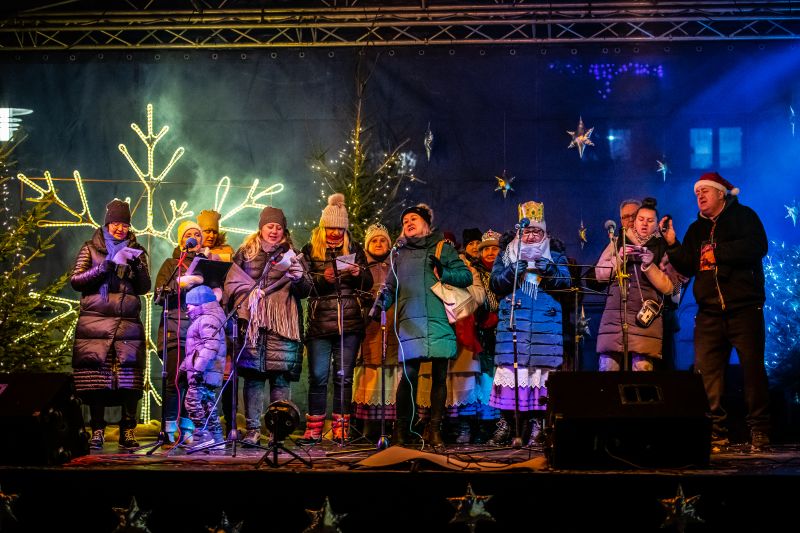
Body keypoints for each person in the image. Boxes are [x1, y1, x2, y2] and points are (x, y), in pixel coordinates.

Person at [662, 172, 771, 451]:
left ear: (721, 193)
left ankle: (758, 429)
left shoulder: (744, 216)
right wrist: (673, 244)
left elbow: (758, 246)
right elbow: (687, 266)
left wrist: (718, 252)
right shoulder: (696, 229)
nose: (699, 196)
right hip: (709, 313)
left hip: (744, 309)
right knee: (707, 374)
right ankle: (715, 432)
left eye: (705, 192)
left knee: (752, 371)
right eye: (697, 193)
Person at [380, 203, 472, 449]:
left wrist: (443, 270)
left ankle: (434, 430)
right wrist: (381, 301)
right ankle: (402, 430)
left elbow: (466, 277)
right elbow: (390, 286)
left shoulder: (442, 247)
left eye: (414, 219)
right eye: (405, 221)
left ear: (426, 224)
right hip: (410, 321)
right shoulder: (398, 254)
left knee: (440, 376)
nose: (408, 223)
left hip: (439, 319)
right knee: (408, 377)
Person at [488, 201, 571, 446]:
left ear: (545, 233)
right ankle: (509, 424)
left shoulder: (555, 255)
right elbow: (495, 284)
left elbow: (565, 283)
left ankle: (537, 424)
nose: (532, 235)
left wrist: (551, 271)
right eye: (528, 231)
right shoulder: (507, 254)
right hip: (515, 323)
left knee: (538, 376)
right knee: (512, 373)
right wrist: (511, 271)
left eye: (537, 231)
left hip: (544, 326)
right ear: (519, 232)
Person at [70, 199, 150, 450]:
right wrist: (105, 267)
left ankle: (128, 430)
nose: (120, 229)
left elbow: (145, 288)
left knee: (130, 380)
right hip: (96, 324)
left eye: (124, 224)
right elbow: (76, 280)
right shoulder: (90, 248)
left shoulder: (137, 250)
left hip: (127, 326)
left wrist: (137, 268)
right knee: (97, 381)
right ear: (107, 224)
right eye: (116, 223)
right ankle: (97, 430)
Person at [226, 206, 308, 445]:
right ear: (261, 228)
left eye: (278, 227)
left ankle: (277, 432)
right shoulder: (246, 252)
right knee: (253, 378)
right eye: (270, 226)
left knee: (280, 379)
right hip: (253, 326)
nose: (274, 231)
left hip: (283, 327)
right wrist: (249, 294)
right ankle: (252, 430)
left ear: (284, 230)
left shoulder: (294, 254)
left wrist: (299, 277)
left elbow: (305, 290)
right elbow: (231, 282)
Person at [297, 193, 372, 443]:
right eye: (331, 228)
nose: (335, 233)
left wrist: (358, 272)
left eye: (340, 229)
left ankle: (341, 429)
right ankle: (314, 428)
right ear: (323, 228)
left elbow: (368, 283)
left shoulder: (355, 249)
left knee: (344, 376)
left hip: (349, 322)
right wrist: (321, 279)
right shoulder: (309, 251)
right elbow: (302, 287)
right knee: (318, 375)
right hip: (319, 324)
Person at [595, 197, 674, 372]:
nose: (644, 224)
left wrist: (649, 265)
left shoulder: (662, 246)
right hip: (616, 315)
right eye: (640, 219)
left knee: (642, 369)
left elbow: (669, 287)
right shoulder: (618, 241)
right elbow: (599, 275)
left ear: (656, 224)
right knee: (608, 367)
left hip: (644, 317)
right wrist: (620, 258)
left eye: (650, 220)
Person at [153, 220, 206, 444]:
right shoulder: (171, 264)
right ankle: (168, 428)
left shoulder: (207, 264)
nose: (193, 237)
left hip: (200, 331)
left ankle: (187, 428)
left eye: (197, 234)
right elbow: (159, 294)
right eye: (188, 235)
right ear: (181, 240)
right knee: (174, 380)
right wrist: (181, 283)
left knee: (193, 383)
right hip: (175, 329)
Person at [352, 223, 401, 440]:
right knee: (370, 373)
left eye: (383, 240)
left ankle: (391, 425)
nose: (379, 244)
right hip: (369, 327)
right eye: (374, 240)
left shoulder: (396, 265)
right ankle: (368, 426)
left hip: (392, 325)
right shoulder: (361, 267)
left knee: (391, 373)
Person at [181, 285, 227, 452]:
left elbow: (210, 346)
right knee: (208, 405)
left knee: (192, 402)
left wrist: (197, 369)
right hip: (207, 372)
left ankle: (202, 436)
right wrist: (184, 367)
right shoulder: (206, 319)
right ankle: (217, 438)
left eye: (191, 303)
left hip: (203, 372)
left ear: (201, 304)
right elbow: (195, 350)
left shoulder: (207, 319)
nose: (187, 306)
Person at [472, 229, 503, 443]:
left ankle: (501, 423)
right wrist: (483, 316)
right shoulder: (475, 272)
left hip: (503, 330)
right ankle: (483, 424)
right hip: (482, 331)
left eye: (495, 248)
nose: (490, 252)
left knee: (501, 379)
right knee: (484, 379)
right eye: (486, 249)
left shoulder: (506, 271)